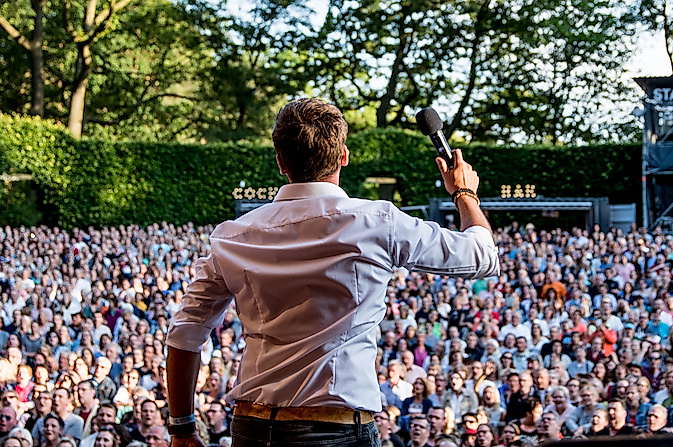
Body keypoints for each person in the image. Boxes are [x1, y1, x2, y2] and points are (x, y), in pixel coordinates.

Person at [166, 98, 498, 446]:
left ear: (280, 161)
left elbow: (184, 333)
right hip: (339, 429)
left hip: (253, 426)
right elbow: (482, 256)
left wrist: (182, 428)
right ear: (343, 156)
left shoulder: (233, 235)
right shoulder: (377, 222)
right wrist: (464, 193)